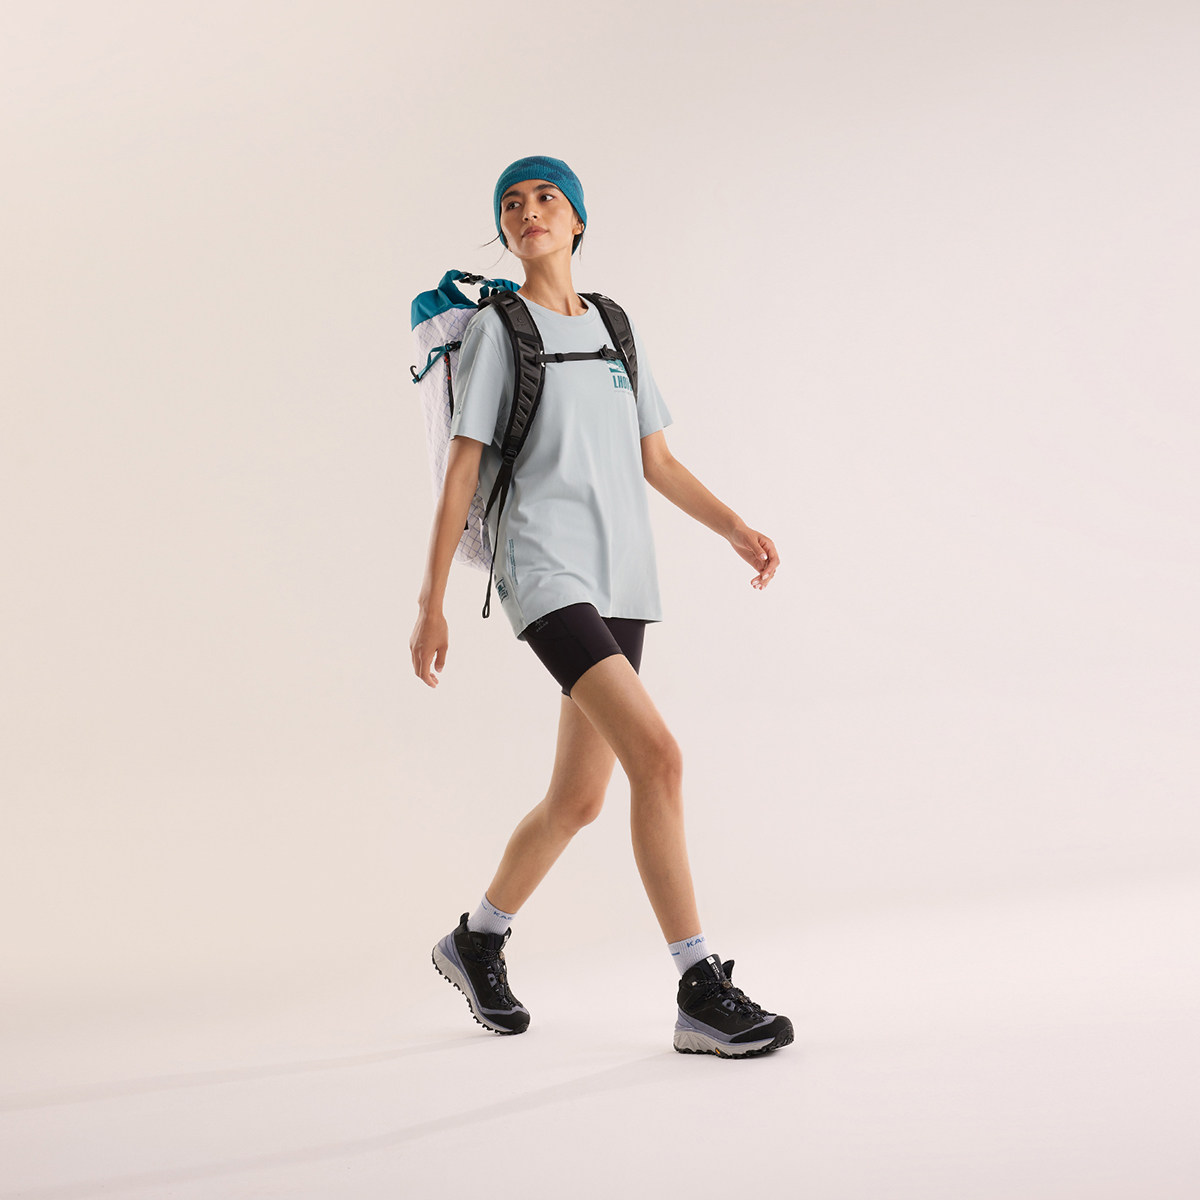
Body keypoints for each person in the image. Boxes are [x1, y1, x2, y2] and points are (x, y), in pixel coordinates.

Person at [410, 155, 792, 1058]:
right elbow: (462, 471)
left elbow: (657, 461)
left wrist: (733, 527)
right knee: (659, 757)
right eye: (512, 203)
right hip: (544, 570)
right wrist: (431, 602)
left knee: (578, 800)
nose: (528, 210)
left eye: (547, 197)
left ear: (577, 220)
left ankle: (477, 939)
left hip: (623, 577)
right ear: (505, 231)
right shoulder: (498, 330)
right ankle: (698, 986)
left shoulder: (616, 325)